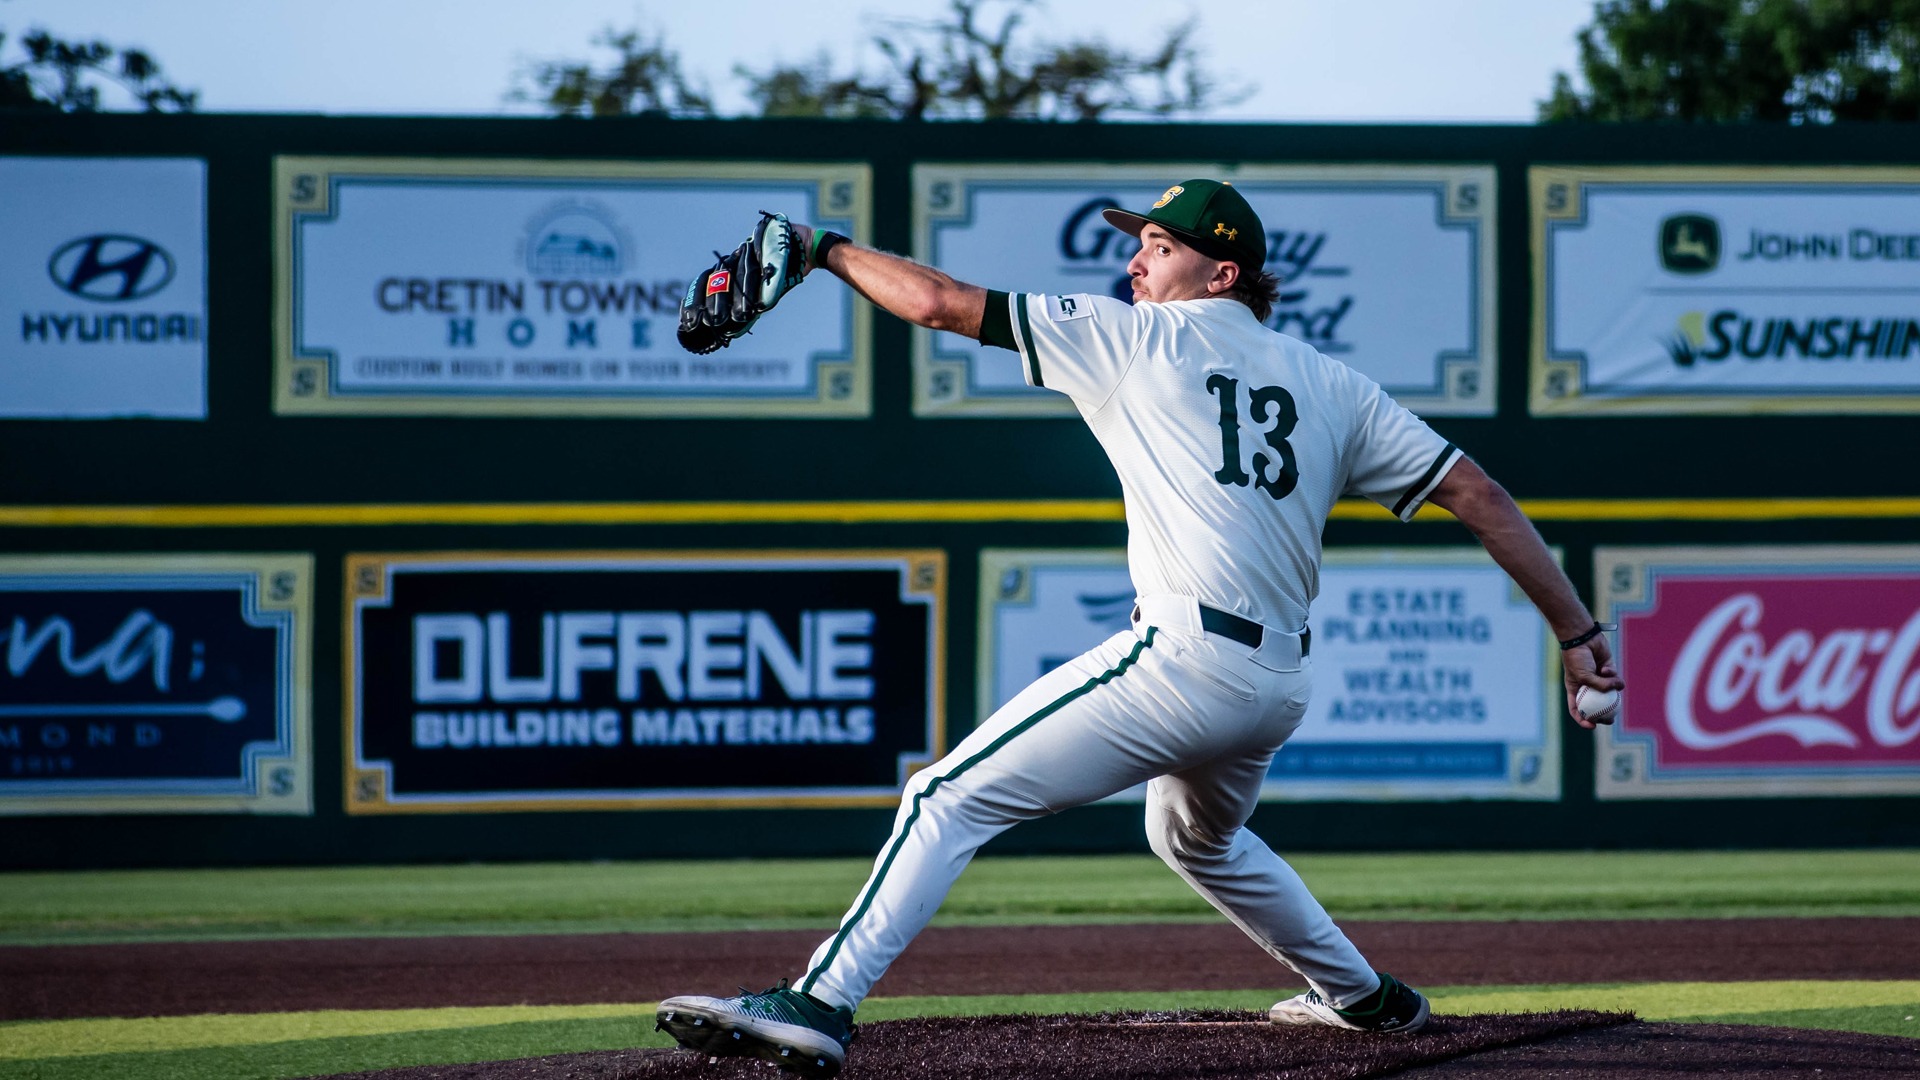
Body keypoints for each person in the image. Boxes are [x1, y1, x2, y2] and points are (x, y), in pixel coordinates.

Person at [654, 179, 1625, 1078]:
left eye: (1159, 247)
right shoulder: (1336, 386)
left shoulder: (1135, 341)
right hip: (1278, 684)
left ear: (1222, 271)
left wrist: (824, 247)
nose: (1136, 263)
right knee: (1198, 838)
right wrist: (1577, 633)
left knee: (944, 796)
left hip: (1186, 660)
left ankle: (821, 1001)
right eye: (1141, 245)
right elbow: (1481, 496)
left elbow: (940, 303)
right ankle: (1366, 1000)